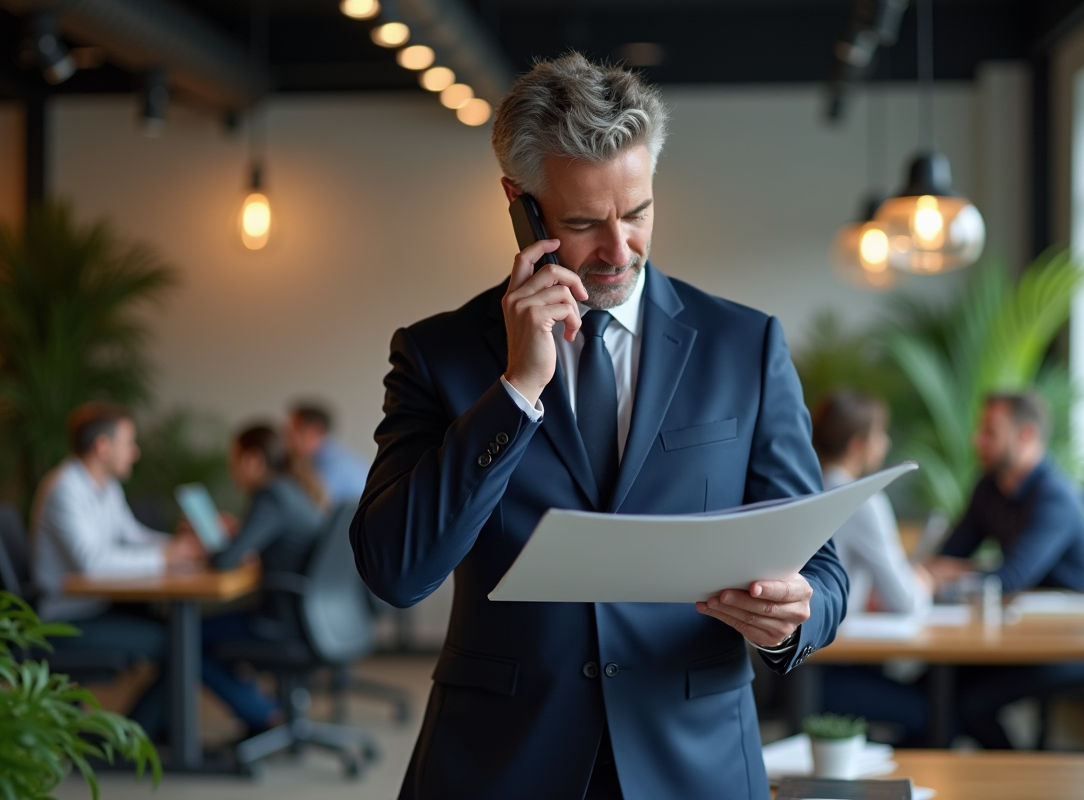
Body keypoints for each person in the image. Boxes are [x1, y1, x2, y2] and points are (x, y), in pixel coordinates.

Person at [351, 54, 847, 800]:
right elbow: (396, 571)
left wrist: (792, 618)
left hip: (694, 762)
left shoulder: (746, 346)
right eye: (584, 222)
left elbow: (827, 574)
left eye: (639, 212)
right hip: (500, 763)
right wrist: (517, 390)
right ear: (520, 204)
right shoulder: (437, 355)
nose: (620, 251)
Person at [927, 391, 1084, 749]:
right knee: (937, 684)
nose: (976, 440)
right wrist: (967, 571)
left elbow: (1009, 579)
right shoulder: (990, 487)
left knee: (971, 702)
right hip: (1019, 635)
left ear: (1026, 435)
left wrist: (962, 573)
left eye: (990, 432)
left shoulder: (1056, 497)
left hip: (1078, 643)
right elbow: (947, 557)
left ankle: (1018, 783)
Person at [32, 402, 205, 738]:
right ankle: (127, 739)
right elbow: (93, 563)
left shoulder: (106, 486)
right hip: (64, 622)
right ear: (103, 447)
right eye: (129, 443)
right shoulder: (65, 489)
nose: (135, 453)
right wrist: (167, 559)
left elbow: (133, 537)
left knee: (182, 635)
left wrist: (179, 548)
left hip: (96, 609)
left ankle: (146, 732)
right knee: (179, 642)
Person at [811, 389, 932, 745]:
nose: (886, 442)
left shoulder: (799, 487)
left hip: (788, 671)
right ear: (859, 444)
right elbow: (907, 601)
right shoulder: (862, 500)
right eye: (881, 434)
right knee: (938, 715)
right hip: (831, 673)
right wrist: (924, 580)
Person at [200, 423, 326, 735]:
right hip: (311, 617)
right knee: (196, 636)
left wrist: (214, 542)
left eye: (234, 463)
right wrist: (240, 535)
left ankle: (265, 715)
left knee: (186, 638)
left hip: (284, 622)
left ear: (252, 460)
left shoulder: (271, 494)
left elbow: (226, 561)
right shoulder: (291, 490)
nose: (233, 473)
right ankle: (263, 711)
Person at [284, 402, 369, 505]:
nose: (288, 438)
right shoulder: (344, 457)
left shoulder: (330, 468)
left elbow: (313, 512)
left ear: (315, 431)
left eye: (294, 430)